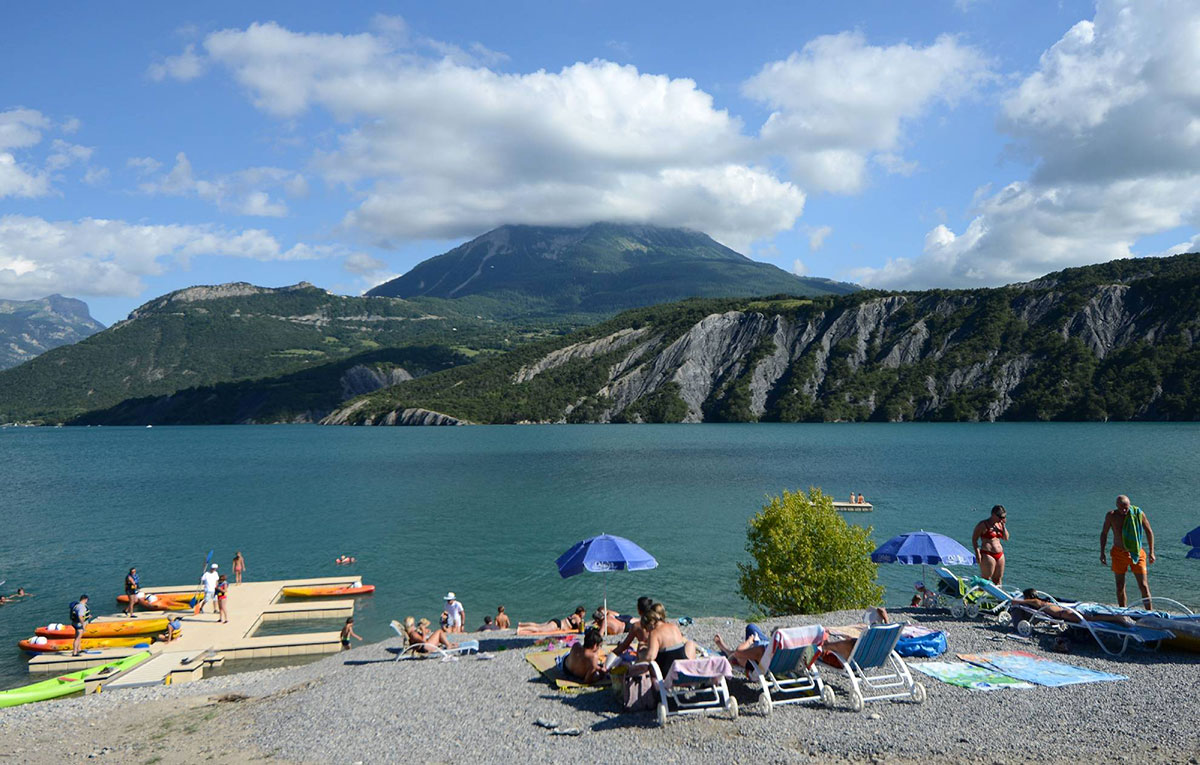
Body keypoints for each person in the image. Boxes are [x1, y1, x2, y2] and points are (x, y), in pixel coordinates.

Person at [1101, 495, 1156, 609]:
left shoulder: (1137, 513)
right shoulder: (1111, 516)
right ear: (1117, 506)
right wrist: (1102, 552)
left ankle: (1150, 613)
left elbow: (1149, 531)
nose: (1124, 510)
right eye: (1121, 507)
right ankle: (1123, 611)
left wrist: (1151, 552)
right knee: (1120, 585)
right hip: (1118, 553)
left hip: (1136, 552)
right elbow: (1104, 533)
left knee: (1144, 585)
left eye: (1126, 507)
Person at [631, 602, 696, 678]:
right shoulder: (673, 626)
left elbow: (650, 656)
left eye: (646, 628)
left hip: (667, 672)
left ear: (650, 624)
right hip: (682, 668)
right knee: (690, 643)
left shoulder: (654, 633)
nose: (647, 632)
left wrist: (637, 663)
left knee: (643, 651)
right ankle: (692, 669)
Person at [1011, 590, 1137, 627]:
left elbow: (1034, 601)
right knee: (1092, 619)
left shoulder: (1040, 603)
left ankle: (1116, 619)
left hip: (1065, 614)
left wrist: (1016, 601)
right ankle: (1116, 619)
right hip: (1065, 612)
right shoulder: (1047, 601)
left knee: (1092, 619)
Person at [972, 505, 1010, 585]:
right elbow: (974, 539)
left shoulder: (1000, 524)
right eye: (1000, 517)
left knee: (998, 579)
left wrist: (1003, 526)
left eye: (1003, 517)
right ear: (993, 514)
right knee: (986, 579)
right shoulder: (983, 524)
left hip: (1000, 554)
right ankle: (980, 595)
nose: (1001, 519)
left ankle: (998, 597)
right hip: (987, 553)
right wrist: (977, 553)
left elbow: (1006, 538)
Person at [519, 606, 587, 634]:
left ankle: (521, 624)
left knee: (538, 625)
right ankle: (521, 630)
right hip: (557, 625)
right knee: (539, 630)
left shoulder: (573, 615)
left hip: (556, 622)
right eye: (584, 613)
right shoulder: (577, 618)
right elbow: (581, 628)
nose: (584, 615)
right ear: (581, 612)